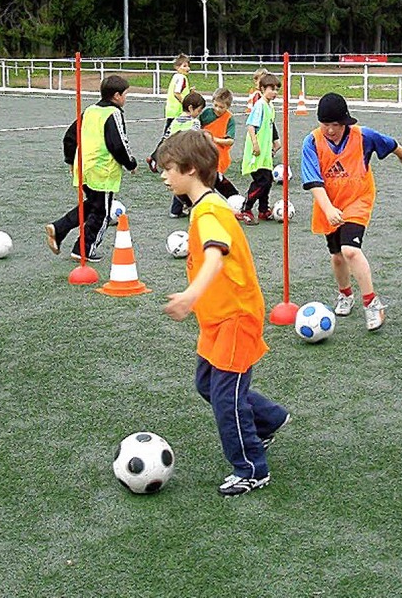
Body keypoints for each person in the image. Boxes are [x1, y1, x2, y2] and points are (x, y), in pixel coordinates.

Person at [158, 129, 290, 496]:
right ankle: (269, 419)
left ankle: (250, 469)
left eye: (169, 169)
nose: (165, 176)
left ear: (190, 169)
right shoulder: (204, 206)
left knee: (225, 398)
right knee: (206, 385)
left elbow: (216, 253)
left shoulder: (210, 211)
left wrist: (190, 295)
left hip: (235, 316)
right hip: (216, 318)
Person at [301, 92, 402, 331]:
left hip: (358, 199)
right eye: (325, 124)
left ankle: (372, 303)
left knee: (350, 250)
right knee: (337, 256)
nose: (329, 130)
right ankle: (345, 294)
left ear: (345, 122)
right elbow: (313, 181)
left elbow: (390, 144)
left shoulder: (363, 136)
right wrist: (328, 208)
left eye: (335, 125)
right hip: (329, 203)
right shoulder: (311, 142)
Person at [45, 75, 137, 263]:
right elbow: (118, 144)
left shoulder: (89, 111)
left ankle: (59, 228)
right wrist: (131, 163)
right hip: (102, 170)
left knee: (93, 205)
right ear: (117, 95)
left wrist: (72, 162)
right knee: (102, 213)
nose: (126, 99)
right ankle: (84, 249)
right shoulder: (114, 113)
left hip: (85, 168)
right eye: (126, 94)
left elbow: (69, 137)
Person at [237, 73, 281, 225]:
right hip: (257, 153)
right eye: (271, 89)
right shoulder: (259, 105)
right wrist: (255, 144)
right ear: (262, 89)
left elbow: (270, 125)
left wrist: (276, 142)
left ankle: (263, 210)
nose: (275, 93)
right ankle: (246, 208)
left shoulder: (270, 106)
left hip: (266, 153)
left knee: (267, 181)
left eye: (277, 90)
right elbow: (251, 126)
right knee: (262, 181)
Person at [146, 53, 193, 172]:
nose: (187, 68)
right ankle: (154, 158)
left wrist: (189, 92)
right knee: (169, 138)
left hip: (173, 111)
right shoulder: (181, 78)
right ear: (177, 67)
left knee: (176, 138)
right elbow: (177, 93)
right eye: (184, 66)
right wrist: (186, 104)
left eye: (188, 66)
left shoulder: (177, 77)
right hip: (177, 113)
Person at [200, 87, 240, 200]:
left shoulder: (229, 119)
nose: (217, 109)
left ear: (228, 107)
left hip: (219, 156)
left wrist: (214, 139)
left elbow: (230, 141)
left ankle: (234, 197)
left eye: (221, 107)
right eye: (215, 105)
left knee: (215, 179)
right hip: (203, 153)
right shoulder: (206, 113)